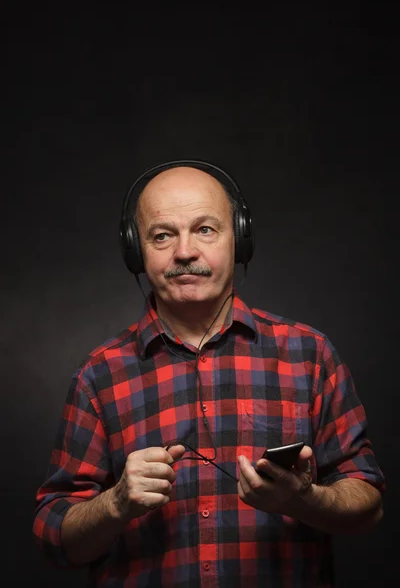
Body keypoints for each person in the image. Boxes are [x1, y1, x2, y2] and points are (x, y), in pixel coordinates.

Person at [33, 160, 385, 587]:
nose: (184, 251)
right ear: (135, 251)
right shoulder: (98, 375)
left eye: (205, 229)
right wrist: (115, 503)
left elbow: (369, 505)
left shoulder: (309, 355)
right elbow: (54, 539)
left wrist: (305, 500)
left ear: (239, 239)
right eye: (162, 235)